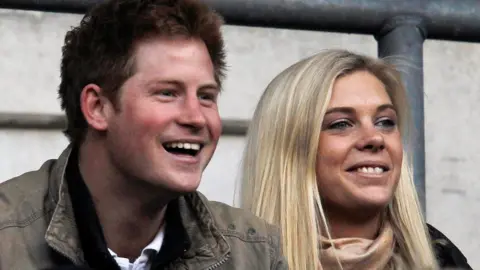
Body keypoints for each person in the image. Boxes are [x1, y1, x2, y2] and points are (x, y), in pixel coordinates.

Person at [0, 0, 287, 269]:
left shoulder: (255, 253)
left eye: (206, 96)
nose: (196, 117)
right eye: (167, 93)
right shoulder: (8, 240)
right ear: (98, 107)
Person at [240, 49, 471, 270]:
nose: (375, 138)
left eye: (385, 122)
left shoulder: (443, 259)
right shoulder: (234, 260)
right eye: (341, 124)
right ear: (290, 149)